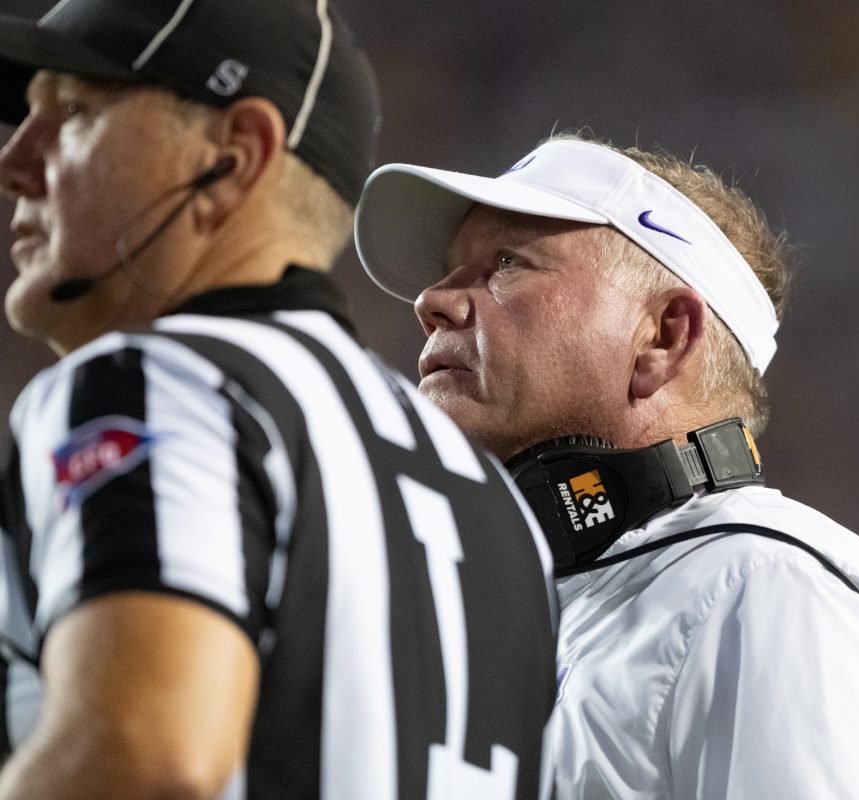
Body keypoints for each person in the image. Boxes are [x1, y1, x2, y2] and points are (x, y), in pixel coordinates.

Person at [0, 2, 557, 798]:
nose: (16, 158)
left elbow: (144, 755)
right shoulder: (493, 501)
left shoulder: (157, 380)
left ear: (233, 158)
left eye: (76, 114)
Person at [353, 133, 859, 798]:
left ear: (664, 336)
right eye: (450, 269)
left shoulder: (765, 592)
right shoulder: (515, 615)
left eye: (507, 264)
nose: (433, 301)